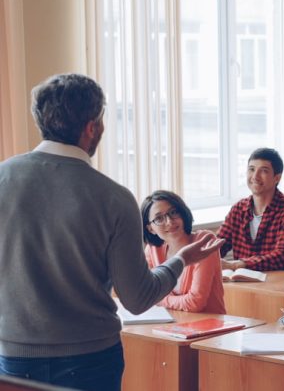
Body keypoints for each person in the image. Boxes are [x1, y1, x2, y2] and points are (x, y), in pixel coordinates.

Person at [0, 74, 223, 391]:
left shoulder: (3, 178)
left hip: (12, 356)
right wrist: (181, 260)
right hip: (89, 357)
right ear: (92, 127)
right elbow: (137, 297)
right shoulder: (113, 197)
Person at [218, 148, 284, 271]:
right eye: (251, 169)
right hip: (244, 282)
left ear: (277, 178)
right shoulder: (238, 209)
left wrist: (236, 265)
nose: (255, 176)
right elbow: (219, 245)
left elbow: (283, 255)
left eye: (263, 171)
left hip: (281, 285)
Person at [141, 190, 226, 314]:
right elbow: (145, 293)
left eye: (173, 212)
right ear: (150, 229)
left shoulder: (204, 242)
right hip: (171, 325)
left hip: (210, 326)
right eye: (159, 218)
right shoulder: (153, 250)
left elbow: (195, 303)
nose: (169, 222)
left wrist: (158, 300)